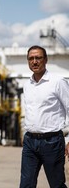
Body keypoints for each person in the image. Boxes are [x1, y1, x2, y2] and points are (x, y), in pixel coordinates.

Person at [19, 45, 69, 188]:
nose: (34, 61)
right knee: (26, 184)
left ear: (45, 60)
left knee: (56, 184)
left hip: (52, 142)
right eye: (31, 58)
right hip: (30, 141)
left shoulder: (58, 82)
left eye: (38, 58)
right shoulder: (27, 84)